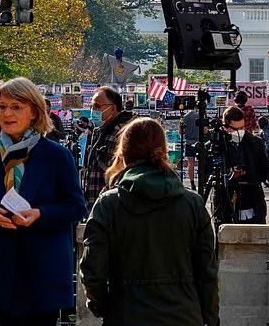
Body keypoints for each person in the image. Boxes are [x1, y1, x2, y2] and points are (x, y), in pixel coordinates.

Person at [0, 77, 87, 326]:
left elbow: (75, 207)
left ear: (33, 112)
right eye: (3, 106)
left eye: (16, 107)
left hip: (43, 276)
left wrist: (40, 213)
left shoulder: (56, 156)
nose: (7, 113)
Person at [80, 118, 219, 325]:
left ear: (124, 155)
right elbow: (207, 274)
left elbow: (93, 271)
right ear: (163, 150)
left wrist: (105, 308)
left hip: (127, 314)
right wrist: (209, 318)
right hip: (184, 315)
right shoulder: (193, 204)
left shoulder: (109, 204)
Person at [219, 106, 269, 224]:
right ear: (225, 126)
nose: (240, 132)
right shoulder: (218, 144)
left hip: (254, 199)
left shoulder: (255, 143)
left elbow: (266, 167)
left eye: (242, 128)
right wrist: (230, 175)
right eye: (236, 129)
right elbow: (210, 173)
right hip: (227, 201)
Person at [82, 87, 134, 209]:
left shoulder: (122, 133)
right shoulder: (99, 131)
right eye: (92, 107)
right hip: (95, 203)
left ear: (113, 108)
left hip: (113, 207)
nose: (93, 111)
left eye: (97, 107)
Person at [181, 106, 200, 190]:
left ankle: (192, 184)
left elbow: (181, 132)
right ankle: (202, 182)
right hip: (199, 143)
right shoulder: (199, 116)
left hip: (188, 143)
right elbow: (205, 130)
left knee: (190, 164)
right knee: (202, 163)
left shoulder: (185, 117)